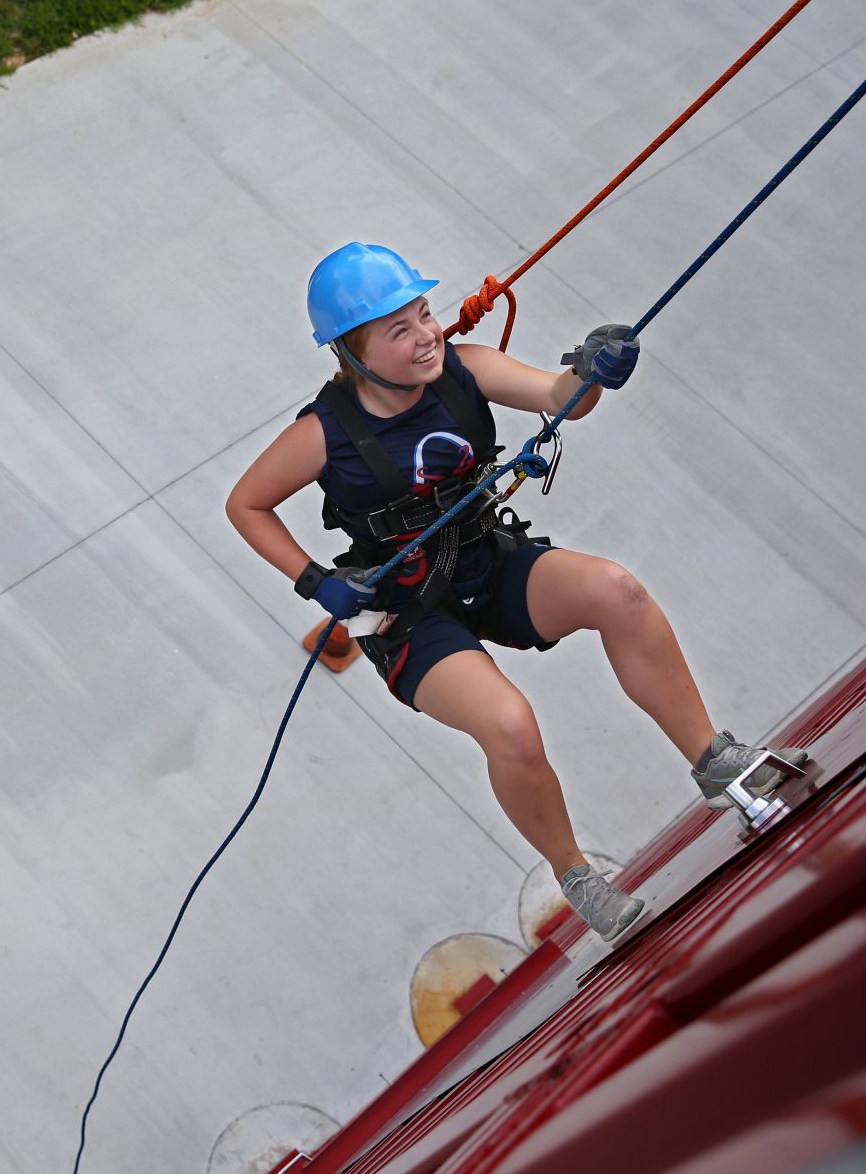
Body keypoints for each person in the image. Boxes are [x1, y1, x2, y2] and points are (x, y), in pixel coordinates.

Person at [225, 243, 808, 942]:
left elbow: (561, 399)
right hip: (408, 616)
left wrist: (592, 371)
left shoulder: (464, 368)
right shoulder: (323, 433)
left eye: (423, 314)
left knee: (615, 591)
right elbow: (245, 504)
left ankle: (714, 762)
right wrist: (316, 580)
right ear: (352, 354)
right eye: (399, 330)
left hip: (488, 562)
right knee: (508, 724)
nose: (425, 335)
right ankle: (578, 878)